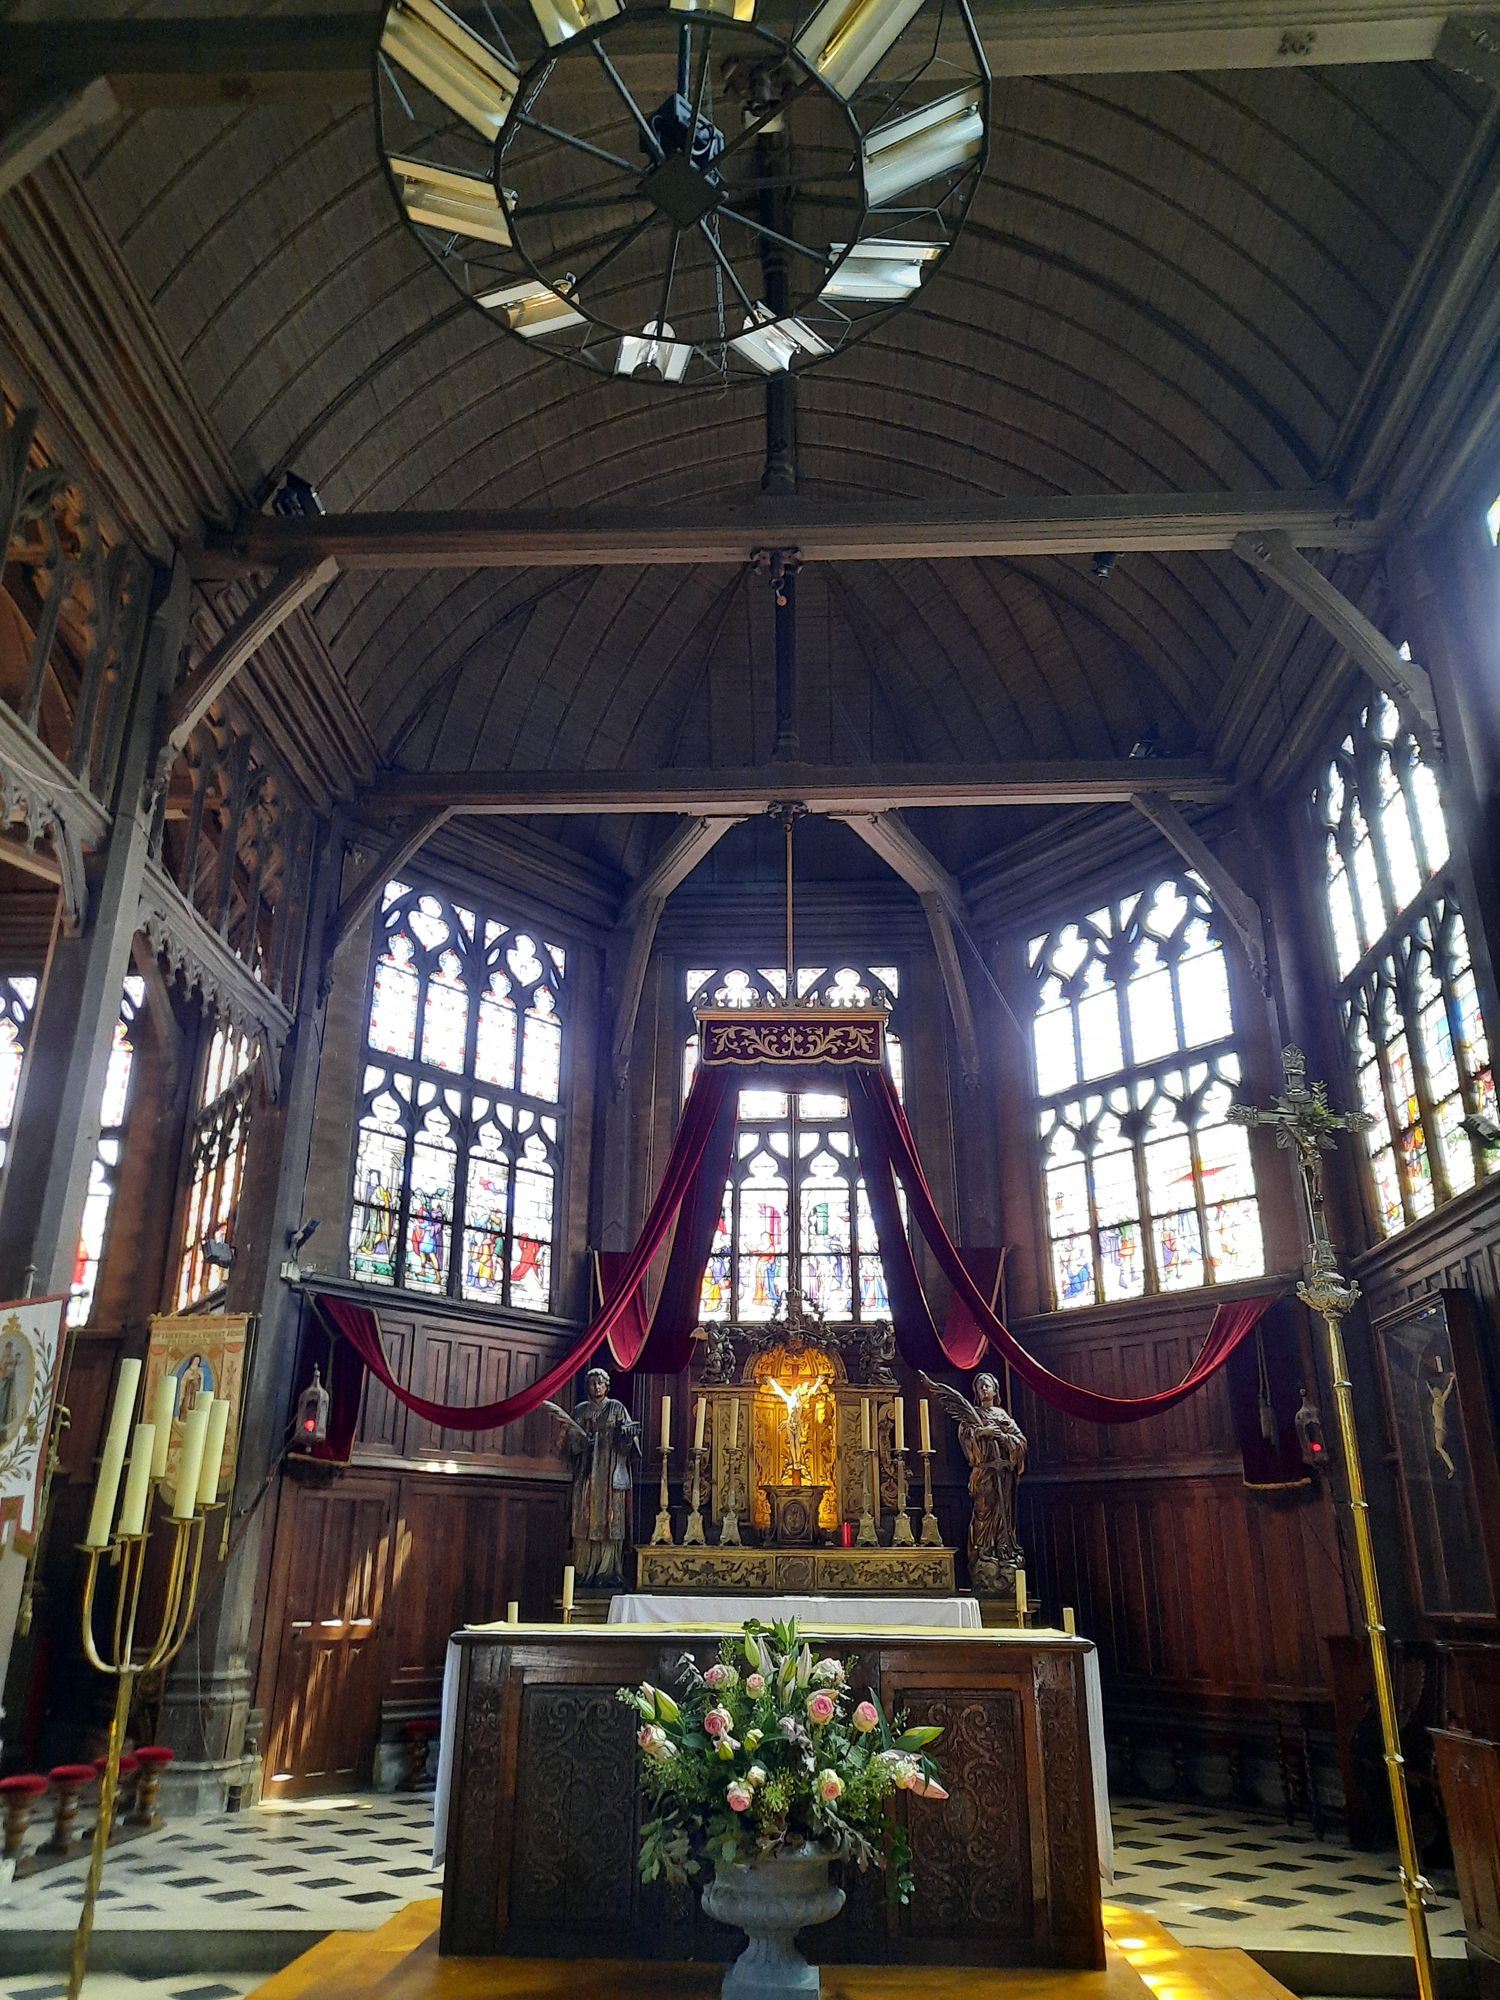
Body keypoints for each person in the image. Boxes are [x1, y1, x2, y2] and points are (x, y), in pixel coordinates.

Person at [559, 1367, 640, 1586]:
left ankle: (608, 1571)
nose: (596, 1387)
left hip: (611, 1475)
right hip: (587, 1475)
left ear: (607, 1386)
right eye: (592, 1383)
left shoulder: (617, 1408)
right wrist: (582, 1443)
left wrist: (626, 1437)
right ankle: (584, 1571)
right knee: (584, 1520)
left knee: (610, 1522)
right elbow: (566, 1446)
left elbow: (629, 1447)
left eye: (600, 1383)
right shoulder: (580, 1411)